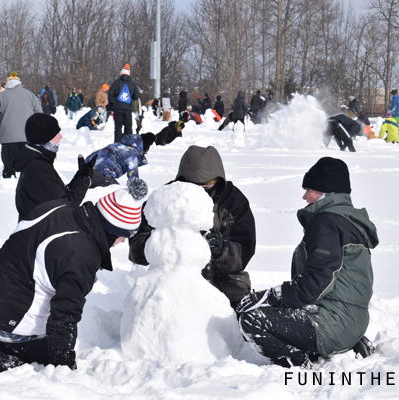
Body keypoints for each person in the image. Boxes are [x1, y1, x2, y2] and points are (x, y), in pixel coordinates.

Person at [0, 179, 148, 375]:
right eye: (124, 235)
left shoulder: (59, 207)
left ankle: (6, 341)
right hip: (0, 318)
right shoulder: (83, 256)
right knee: (48, 354)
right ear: (112, 229)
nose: (122, 242)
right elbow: (64, 316)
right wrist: (64, 366)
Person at [237, 157, 378, 368]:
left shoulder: (327, 224)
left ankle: (300, 367)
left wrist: (271, 297)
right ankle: (347, 344)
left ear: (326, 192)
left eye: (309, 189)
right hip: (353, 320)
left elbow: (313, 284)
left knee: (252, 319)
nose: (304, 196)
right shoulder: (347, 222)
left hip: (333, 323)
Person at [129, 145, 256, 308]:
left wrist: (221, 250)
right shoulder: (164, 198)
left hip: (223, 277)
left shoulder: (233, 201)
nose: (200, 193)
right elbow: (136, 246)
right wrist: (159, 244)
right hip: (173, 275)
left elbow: (244, 249)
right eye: (193, 186)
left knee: (239, 318)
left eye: (206, 188)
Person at [12, 113, 94, 221]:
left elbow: (58, 195)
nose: (61, 136)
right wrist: (83, 184)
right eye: (56, 133)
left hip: (41, 232)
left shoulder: (36, 162)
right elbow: (64, 208)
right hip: (41, 235)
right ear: (44, 137)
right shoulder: (38, 169)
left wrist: (78, 179)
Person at [0, 71, 42, 179]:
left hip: (8, 138)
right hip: (28, 137)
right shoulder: (30, 95)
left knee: (9, 169)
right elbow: (40, 116)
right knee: (27, 170)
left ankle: (7, 184)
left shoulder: (1, 96)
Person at [84, 133, 154, 187]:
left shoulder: (119, 145)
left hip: (84, 168)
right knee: (116, 191)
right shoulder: (133, 154)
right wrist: (138, 190)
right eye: (145, 152)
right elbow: (133, 178)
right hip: (97, 174)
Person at [108, 64, 139, 143]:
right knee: (128, 127)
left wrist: (115, 99)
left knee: (118, 127)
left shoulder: (116, 82)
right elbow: (136, 97)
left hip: (117, 108)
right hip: (128, 108)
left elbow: (110, 93)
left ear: (121, 73)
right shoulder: (133, 84)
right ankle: (128, 143)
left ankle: (117, 144)